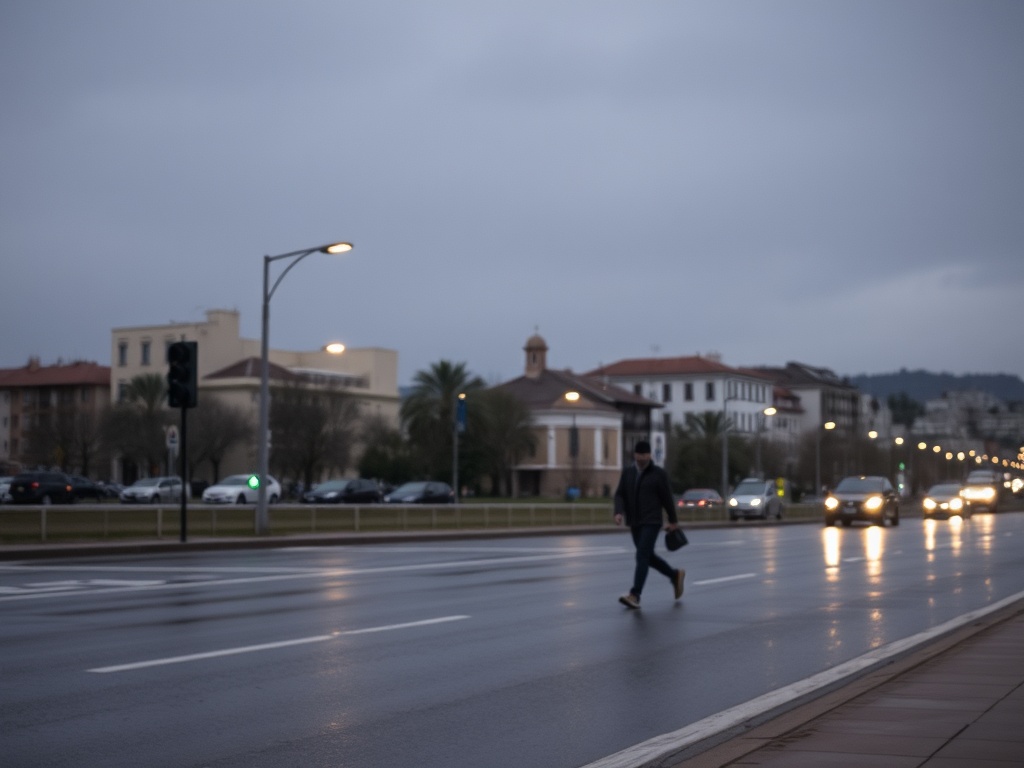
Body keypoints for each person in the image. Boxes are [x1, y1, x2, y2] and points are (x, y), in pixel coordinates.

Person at [613, 440, 685, 609]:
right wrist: (618, 512)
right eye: (640, 455)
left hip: (652, 521)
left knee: (641, 555)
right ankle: (674, 575)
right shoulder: (628, 472)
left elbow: (667, 498)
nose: (642, 458)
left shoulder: (658, 474)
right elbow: (619, 494)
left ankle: (635, 595)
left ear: (650, 455)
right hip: (635, 521)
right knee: (647, 556)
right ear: (635, 455)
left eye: (646, 455)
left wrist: (673, 520)